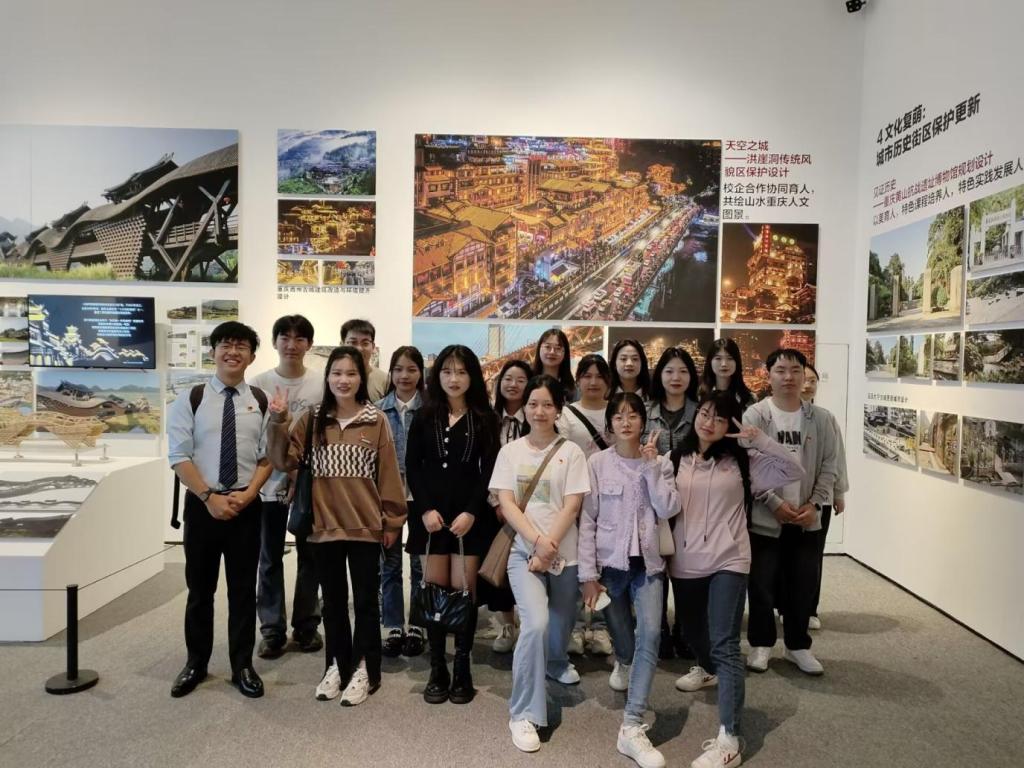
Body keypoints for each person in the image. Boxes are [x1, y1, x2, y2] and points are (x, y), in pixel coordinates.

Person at [267, 346, 407, 706]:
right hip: (323, 527)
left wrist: (393, 521)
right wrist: (278, 421)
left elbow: (389, 475)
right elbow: (282, 461)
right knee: (332, 603)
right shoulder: (313, 419)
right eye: (337, 373)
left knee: (366, 603)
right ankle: (336, 664)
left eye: (351, 373)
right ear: (328, 377)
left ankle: (365, 668)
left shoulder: (376, 420)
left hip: (364, 527)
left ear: (362, 378)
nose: (343, 380)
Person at [669, 392, 803, 768]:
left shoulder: (745, 463)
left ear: (730, 425)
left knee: (725, 642)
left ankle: (730, 737)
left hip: (730, 558)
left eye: (719, 418)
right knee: (693, 632)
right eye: (705, 414)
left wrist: (760, 441)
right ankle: (707, 668)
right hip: (685, 561)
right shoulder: (675, 458)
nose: (709, 422)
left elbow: (794, 470)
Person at [167, 321, 272, 699]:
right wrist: (209, 497)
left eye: (241, 346)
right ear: (213, 352)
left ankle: (242, 665)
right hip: (202, 507)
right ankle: (196, 663)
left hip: (246, 507)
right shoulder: (191, 398)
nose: (233, 352)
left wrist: (250, 494)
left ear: (252, 356)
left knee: (243, 591)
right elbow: (179, 456)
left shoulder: (260, 400)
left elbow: (267, 457)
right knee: (200, 591)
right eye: (226, 345)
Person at [490, 375, 590, 754]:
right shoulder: (510, 452)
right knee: (536, 623)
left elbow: (572, 505)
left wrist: (549, 547)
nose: (539, 411)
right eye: (533, 403)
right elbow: (507, 503)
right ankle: (524, 713)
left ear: (558, 410)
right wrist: (537, 542)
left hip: (565, 555)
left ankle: (555, 661)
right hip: (523, 554)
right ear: (525, 408)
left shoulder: (572, 452)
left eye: (548, 404)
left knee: (562, 621)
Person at [579, 392, 680, 768]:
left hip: (648, 565)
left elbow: (669, 507)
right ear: (609, 424)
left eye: (632, 415)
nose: (625, 422)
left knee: (650, 634)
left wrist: (652, 467)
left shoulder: (660, 462)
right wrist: (588, 575)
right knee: (622, 637)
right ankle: (623, 661)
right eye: (618, 416)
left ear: (643, 422)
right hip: (610, 565)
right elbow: (587, 520)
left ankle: (632, 723)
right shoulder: (597, 463)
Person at [406, 345, 500, 705]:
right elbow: (412, 466)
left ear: (472, 376)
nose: (454, 378)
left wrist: (473, 511)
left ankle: (462, 668)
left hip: (468, 518)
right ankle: (437, 668)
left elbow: (489, 471)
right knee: (433, 591)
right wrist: (425, 509)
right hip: (430, 518)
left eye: (461, 372)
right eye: (447, 371)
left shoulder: (485, 418)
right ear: (438, 375)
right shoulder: (424, 415)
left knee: (463, 594)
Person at [743, 349, 841, 677]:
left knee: (803, 583)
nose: (788, 377)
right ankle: (761, 643)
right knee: (761, 583)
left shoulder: (822, 419)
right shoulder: (756, 415)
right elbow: (749, 466)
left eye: (795, 370)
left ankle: (798, 645)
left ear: (804, 375)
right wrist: (774, 503)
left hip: (806, 517)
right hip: (765, 517)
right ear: (768, 375)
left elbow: (829, 465)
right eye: (781, 370)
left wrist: (815, 504)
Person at [250, 315, 323, 660]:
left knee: (311, 557)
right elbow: (254, 438)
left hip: (308, 484)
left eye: (299, 338)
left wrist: (297, 474)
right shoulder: (259, 384)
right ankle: (272, 630)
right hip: (267, 484)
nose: (292, 345)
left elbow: (321, 438)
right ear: (275, 342)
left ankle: (306, 626)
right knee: (269, 557)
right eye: (285, 337)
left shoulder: (320, 384)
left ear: (309, 344)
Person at [558, 353, 614, 656]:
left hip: (612, 500)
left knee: (606, 564)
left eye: (599, 376)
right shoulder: (567, 415)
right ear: (578, 380)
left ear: (608, 381)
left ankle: (602, 627)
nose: (593, 382)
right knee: (579, 563)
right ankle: (578, 627)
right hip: (577, 499)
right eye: (587, 376)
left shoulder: (617, 410)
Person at [646, 347, 700, 660]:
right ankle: (660, 629)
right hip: (653, 503)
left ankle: (686, 628)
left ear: (691, 376)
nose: (675, 377)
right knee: (656, 565)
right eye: (669, 371)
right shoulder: (645, 411)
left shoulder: (700, 412)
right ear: (660, 375)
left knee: (686, 567)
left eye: (682, 371)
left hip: (692, 502)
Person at [376, 346, 427, 657]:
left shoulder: (431, 409)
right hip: (388, 497)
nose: (404, 375)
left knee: (421, 565)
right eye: (398, 369)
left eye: (411, 369)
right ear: (391, 372)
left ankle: (418, 625)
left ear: (420, 373)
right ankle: (393, 625)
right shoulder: (377, 411)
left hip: (423, 497)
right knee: (390, 564)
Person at [487, 359, 534, 653]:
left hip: (533, 508)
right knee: (501, 564)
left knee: (531, 564)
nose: (513, 384)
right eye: (508, 378)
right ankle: (506, 623)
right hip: (496, 507)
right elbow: (483, 465)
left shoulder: (538, 417)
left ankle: (530, 623)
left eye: (520, 379)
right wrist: (497, 502)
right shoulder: (488, 420)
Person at [800, 363, 849, 630]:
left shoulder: (826, 418)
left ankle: (809, 608)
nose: (807, 385)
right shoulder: (775, 415)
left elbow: (836, 458)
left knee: (813, 555)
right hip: (788, 498)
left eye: (812, 380)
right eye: (804, 379)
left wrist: (838, 492)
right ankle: (787, 606)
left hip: (821, 498)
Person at [699, 338, 755, 411]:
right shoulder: (700, 395)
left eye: (730, 358)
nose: (724, 364)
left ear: (737, 362)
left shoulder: (748, 398)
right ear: (710, 361)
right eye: (718, 358)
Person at [341, 318, 389, 401]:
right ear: (342, 345)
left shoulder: (385, 380)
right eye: (353, 342)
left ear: (373, 347)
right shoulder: (333, 379)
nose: (359, 348)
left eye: (365, 343)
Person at [532, 327, 577, 402]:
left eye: (558, 348)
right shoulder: (527, 382)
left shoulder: (572, 390)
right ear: (539, 349)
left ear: (565, 353)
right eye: (547, 347)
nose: (552, 352)